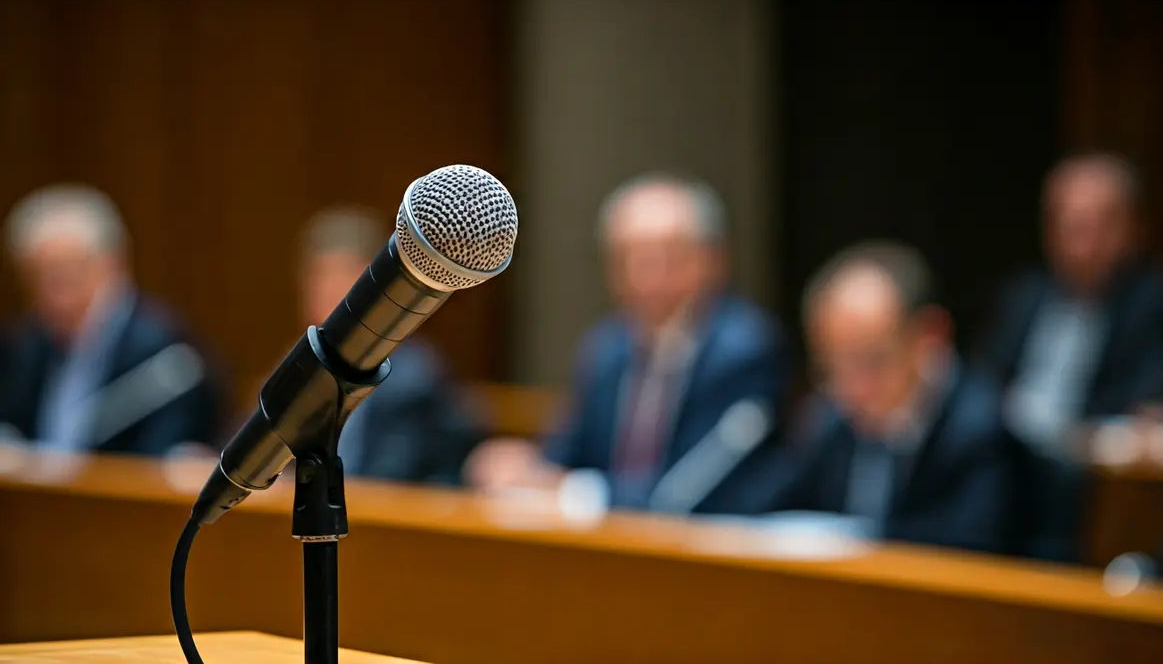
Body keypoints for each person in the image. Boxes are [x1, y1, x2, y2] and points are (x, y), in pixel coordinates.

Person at [467, 173, 792, 515]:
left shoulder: (744, 352)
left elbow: (685, 493)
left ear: (712, 260)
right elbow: (566, 457)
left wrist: (576, 490)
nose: (643, 276)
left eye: (666, 257)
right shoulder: (609, 348)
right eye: (626, 258)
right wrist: (526, 470)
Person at [975, 152, 1163, 561]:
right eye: (1067, 226)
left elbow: (1152, 398)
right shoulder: (1024, 294)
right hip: (1007, 461)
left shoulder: (1154, 300)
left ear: (1131, 229)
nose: (1079, 245)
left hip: (1086, 478)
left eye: (1094, 227)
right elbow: (983, 381)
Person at [775, 242, 1016, 554]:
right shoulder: (830, 419)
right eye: (831, 367)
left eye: (872, 361)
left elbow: (966, 555)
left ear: (931, 337)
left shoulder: (983, 432)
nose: (852, 389)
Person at [0, 183, 226, 455]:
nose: (47, 297)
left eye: (61, 277)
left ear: (110, 265)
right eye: (34, 280)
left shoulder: (167, 353)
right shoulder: (28, 345)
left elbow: (163, 462)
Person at [297, 206, 484, 484]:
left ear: (378, 288)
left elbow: (387, 482)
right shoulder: (303, 363)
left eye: (343, 275)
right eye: (320, 277)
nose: (329, 290)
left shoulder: (412, 378)